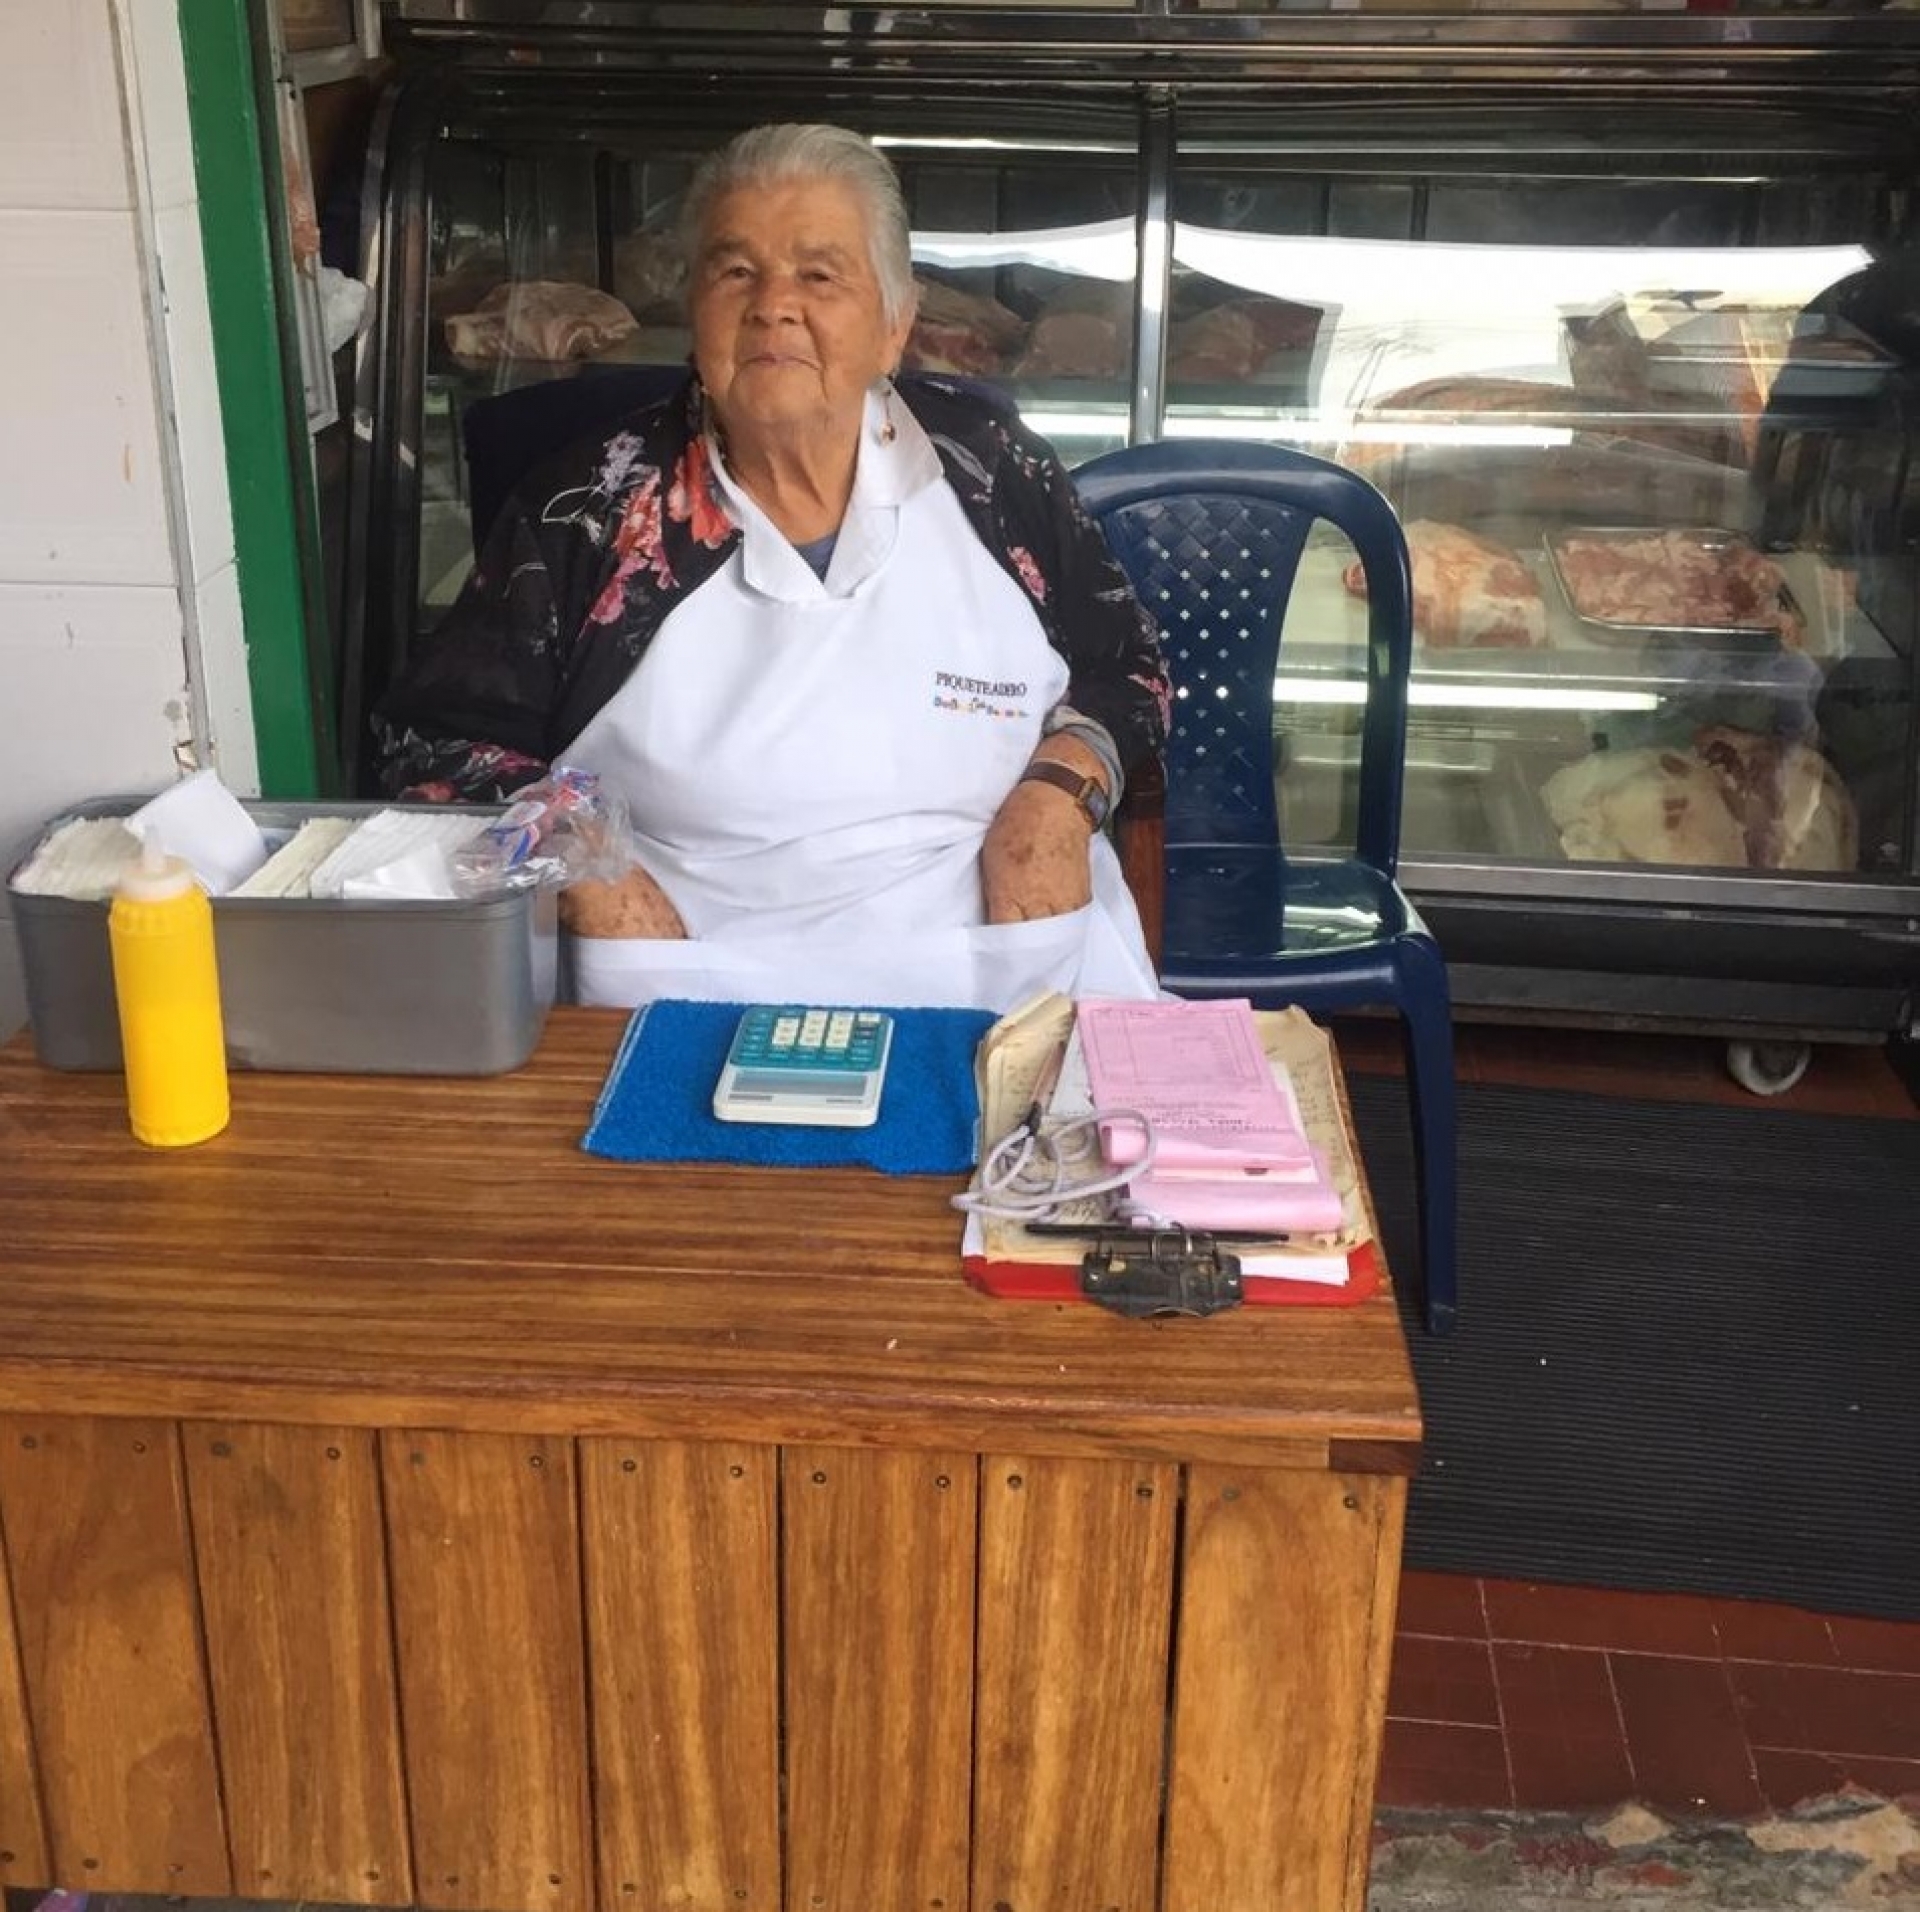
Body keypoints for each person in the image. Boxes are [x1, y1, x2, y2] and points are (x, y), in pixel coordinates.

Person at [377, 122, 1170, 1011]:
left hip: (1002, 964)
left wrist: (1058, 796)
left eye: (819, 276)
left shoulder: (993, 469)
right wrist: (588, 866)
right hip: (690, 980)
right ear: (695, 311)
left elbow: (1129, 669)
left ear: (895, 325)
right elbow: (434, 746)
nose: (773, 306)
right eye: (735, 272)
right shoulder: (590, 508)